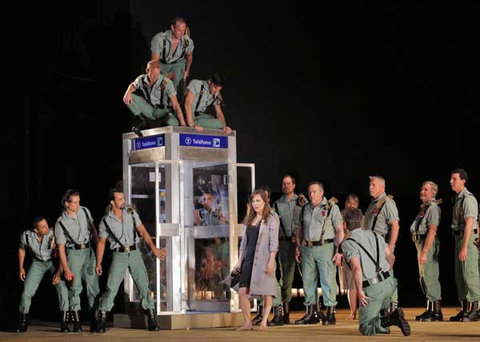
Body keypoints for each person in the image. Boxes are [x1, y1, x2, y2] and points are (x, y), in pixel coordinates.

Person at [93, 188, 167, 332]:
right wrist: (98, 262)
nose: (123, 201)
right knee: (111, 287)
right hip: (118, 255)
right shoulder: (106, 220)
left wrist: (154, 248)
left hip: (134, 253)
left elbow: (143, 231)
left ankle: (152, 319)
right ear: (112, 202)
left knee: (144, 285)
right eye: (120, 199)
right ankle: (101, 319)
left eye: (123, 198)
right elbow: (101, 243)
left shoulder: (131, 213)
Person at [341, 208, 411, 336]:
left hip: (373, 289)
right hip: (390, 284)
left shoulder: (348, 243)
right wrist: (386, 273)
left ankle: (391, 318)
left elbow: (356, 268)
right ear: (362, 221)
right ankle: (385, 321)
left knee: (366, 328)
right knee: (379, 303)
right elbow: (391, 257)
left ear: (345, 225)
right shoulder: (375, 234)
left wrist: (360, 291)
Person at [294, 181, 344, 325]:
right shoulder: (305, 208)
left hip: (325, 247)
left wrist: (338, 250)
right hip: (307, 248)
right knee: (308, 281)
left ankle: (330, 312)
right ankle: (311, 313)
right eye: (310, 192)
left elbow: (340, 230)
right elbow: (300, 229)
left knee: (328, 279)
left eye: (315, 192)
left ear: (322, 192)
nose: (312, 195)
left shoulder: (331, 207)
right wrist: (298, 247)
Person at [233, 189, 279, 331]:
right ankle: (247, 322)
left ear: (265, 202)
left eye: (258, 200)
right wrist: (239, 262)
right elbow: (243, 244)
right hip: (248, 259)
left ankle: (264, 321)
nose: (255, 204)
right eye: (253, 201)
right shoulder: (250, 219)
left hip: (264, 259)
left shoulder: (271, 218)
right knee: (242, 291)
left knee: (266, 290)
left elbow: (273, 242)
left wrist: (271, 261)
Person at [55, 189, 100, 332]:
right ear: (67, 204)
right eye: (74, 203)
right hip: (73, 254)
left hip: (89, 251)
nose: (78, 205)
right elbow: (61, 248)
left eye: (79, 201)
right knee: (75, 288)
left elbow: (92, 228)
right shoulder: (61, 222)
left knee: (93, 285)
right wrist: (66, 269)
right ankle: (77, 322)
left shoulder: (84, 211)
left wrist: (98, 246)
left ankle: (96, 320)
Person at [16, 215, 69, 333]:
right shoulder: (26, 236)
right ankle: (23, 322)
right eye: (43, 227)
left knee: (62, 289)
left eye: (46, 225)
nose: (47, 228)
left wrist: (59, 272)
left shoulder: (53, 233)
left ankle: (64, 323)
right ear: (36, 230)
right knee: (27, 292)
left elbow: (62, 253)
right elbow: (22, 249)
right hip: (38, 263)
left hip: (53, 262)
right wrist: (21, 267)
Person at [271, 175, 307, 324]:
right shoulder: (277, 204)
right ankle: (285, 313)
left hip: (302, 243)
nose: (286, 186)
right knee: (286, 279)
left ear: (294, 185)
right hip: (285, 244)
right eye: (283, 183)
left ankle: (313, 311)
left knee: (308, 276)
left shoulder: (302, 201)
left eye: (288, 183)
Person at [363, 176, 400, 310]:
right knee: (375, 276)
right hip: (371, 245)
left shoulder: (387, 203)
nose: (370, 187)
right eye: (370, 185)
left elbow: (395, 226)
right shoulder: (374, 203)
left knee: (387, 274)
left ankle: (392, 306)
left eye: (373, 185)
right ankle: (381, 306)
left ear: (382, 188)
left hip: (381, 244)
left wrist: (390, 247)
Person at [123, 60, 186, 137]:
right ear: (147, 70)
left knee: (174, 123)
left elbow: (176, 105)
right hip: (149, 109)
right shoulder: (141, 79)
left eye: (157, 75)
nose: (155, 78)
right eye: (153, 75)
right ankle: (144, 122)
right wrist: (127, 92)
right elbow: (133, 85)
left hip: (163, 112)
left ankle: (163, 127)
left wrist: (183, 125)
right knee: (129, 96)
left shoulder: (167, 82)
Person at [449, 169, 480, 322]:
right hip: (459, 238)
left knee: (470, 274)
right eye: (451, 179)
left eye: (454, 179)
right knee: (460, 275)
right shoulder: (458, 198)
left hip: (466, 238)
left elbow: (469, 223)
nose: (451, 181)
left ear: (463, 181)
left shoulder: (468, 199)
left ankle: (476, 309)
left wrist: (465, 246)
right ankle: (466, 309)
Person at [410, 181, 443, 322]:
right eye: (422, 188)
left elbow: (432, 230)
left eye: (426, 189)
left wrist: (424, 251)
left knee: (430, 276)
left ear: (433, 193)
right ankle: (430, 308)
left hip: (426, 243)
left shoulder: (433, 208)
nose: (422, 191)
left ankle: (436, 312)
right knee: (424, 277)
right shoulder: (425, 208)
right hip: (420, 242)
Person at [151, 17, 194, 97]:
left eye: (184, 30)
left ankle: (172, 103)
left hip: (177, 63)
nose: (182, 33)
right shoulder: (159, 38)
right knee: (160, 86)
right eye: (179, 30)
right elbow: (154, 62)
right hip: (162, 64)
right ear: (172, 28)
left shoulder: (187, 41)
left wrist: (187, 71)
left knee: (176, 84)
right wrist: (155, 76)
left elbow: (189, 57)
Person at [340, 194, 361, 320]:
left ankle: (363, 310)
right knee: (350, 285)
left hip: (358, 252)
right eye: (349, 203)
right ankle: (353, 312)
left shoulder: (361, 218)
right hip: (345, 252)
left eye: (354, 203)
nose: (351, 205)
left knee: (361, 282)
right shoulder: (339, 218)